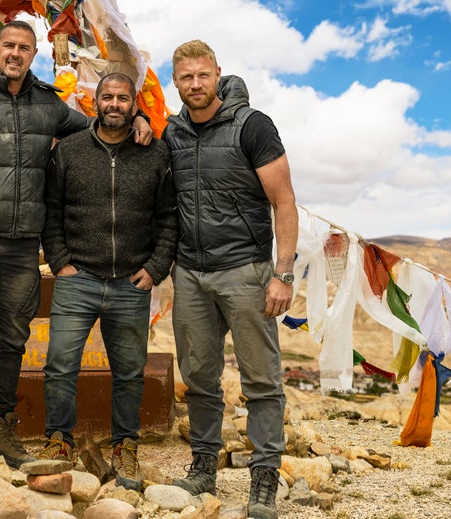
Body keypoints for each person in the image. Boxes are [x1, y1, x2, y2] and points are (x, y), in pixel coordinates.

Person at [0, 20, 153, 469]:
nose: (15, 54)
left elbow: (99, 126)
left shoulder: (49, 104)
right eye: (9, 46)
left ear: (34, 53)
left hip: (23, 239)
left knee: (12, 333)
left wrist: (136, 116)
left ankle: (0, 428)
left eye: (25, 47)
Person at [162, 40, 298, 519]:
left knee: (261, 379)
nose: (195, 85)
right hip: (191, 273)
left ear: (217, 74)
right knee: (198, 375)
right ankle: (203, 465)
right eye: (185, 78)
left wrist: (283, 274)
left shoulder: (252, 125)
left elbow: (284, 201)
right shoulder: (172, 132)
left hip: (247, 270)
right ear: (174, 81)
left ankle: (264, 478)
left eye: (202, 75)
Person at [39, 72, 177, 490]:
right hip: (77, 279)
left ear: (134, 106)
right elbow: (51, 210)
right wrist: (60, 261)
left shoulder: (155, 154)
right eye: (107, 97)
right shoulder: (70, 151)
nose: (114, 104)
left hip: (130, 284)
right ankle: (58, 440)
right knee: (60, 365)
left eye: (122, 98)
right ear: (94, 103)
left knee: (129, 371)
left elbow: (169, 218)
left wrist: (155, 269)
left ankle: (125, 446)